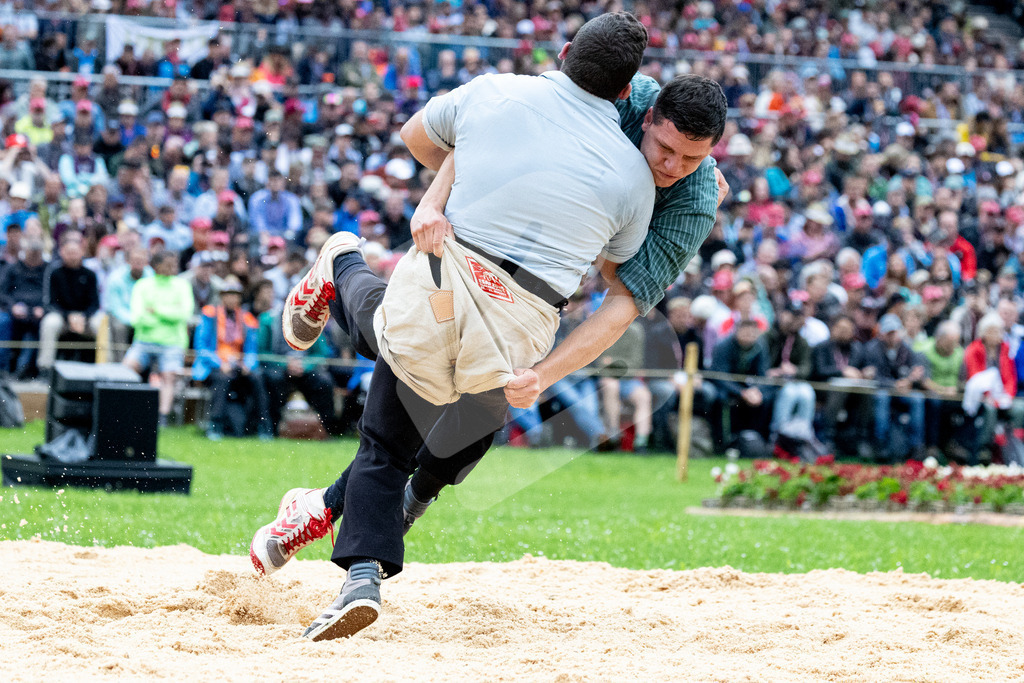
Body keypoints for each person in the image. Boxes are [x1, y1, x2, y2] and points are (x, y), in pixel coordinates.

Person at [251, 13, 706, 642]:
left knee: (446, 410)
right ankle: (360, 571)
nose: (674, 167)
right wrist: (445, 199)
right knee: (395, 422)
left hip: (497, 297)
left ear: (564, 51)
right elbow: (608, 267)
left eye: (691, 160)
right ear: (636, 102)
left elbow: (420, 138)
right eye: (667, 151)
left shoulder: (496, 92)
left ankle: (341, 271)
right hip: (485, 284)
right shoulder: (628, 174)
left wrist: (488, 182)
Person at [191, 278, 272, 440]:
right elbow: (201, 347)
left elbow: (251, 349)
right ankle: (215, 424)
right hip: (213, 365)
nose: (231, 298)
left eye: (235, 295)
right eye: (228, 294)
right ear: (222, 297)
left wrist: (248, 365)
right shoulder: (209, 314)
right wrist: (219, 363)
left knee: (257, 378)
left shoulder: (247, 319)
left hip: (238, 364)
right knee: (222, 379)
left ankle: (263, 425)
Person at [123, 251, 194, 426]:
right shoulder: (143, 285)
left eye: (175, 263)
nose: (173, 267)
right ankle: (128, 411)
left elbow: (184, 314)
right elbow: (137, 318)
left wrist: (156, 310)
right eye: (169, 264)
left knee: (169, 376)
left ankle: (162, 417)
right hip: (144, 341)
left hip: (172, 343)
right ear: (156, 266)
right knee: (127, 369)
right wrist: (169, 314)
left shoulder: (182, 285)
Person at [258, 306, 340, 437]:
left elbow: (322, 353)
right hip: (278, 368)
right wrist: (285, 364)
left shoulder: (313, 321)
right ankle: (271, 428)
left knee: (324, 381)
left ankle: (327, 429)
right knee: (273, 379)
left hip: (305, 368)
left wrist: (305, 365)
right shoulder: (268, 320)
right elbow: (262, 353)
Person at [858, 313, 929, 461]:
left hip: (901, 392)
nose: (892, 336)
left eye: (894, 332)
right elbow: (872, 376)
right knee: (882, 397)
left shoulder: (906, 348)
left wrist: (911, 379)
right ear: (882, 334)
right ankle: (881, 443)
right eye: (889, 333)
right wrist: (894, 384)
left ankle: (916, 445)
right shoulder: (872, 349)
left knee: (917, 398)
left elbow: (915, 370)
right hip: (882, 391)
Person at [38, 234, 104, 371]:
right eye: (68, 252)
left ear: (82, 252)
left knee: (101, 324)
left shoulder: (90, 275)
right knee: (50, 323)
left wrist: (83, 317)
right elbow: (50, 303)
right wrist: (68, 316)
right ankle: (45, 368)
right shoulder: (55, 273)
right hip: (62, 318)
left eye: (75, 252)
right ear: (62, 252)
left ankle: (104, 367)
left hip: (85, 319)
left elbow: (95, 303)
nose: (72, 256)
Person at [709, 319, 771, 449]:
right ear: (737, 331)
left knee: (766, 399)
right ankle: (724, 443)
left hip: (749, 389)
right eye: (745, 332)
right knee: (721, 399)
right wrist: (741, 392)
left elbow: (762, 374)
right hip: (726, 388)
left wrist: (756, 391)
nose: (749, 336)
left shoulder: (760, 346)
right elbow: (720, 376)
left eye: (752, 333)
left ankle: (758, 442)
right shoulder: (723, 346)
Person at [0, 237, 47, 378]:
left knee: (38, 326)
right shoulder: (12, 268)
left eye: (36, 253)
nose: (33, 256)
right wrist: (12, 307)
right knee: (3, 321)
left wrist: (43, 308)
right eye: (31, 252)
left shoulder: (47, 270)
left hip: (38, 312)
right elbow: (3, 293)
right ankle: (2, 369)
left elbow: (53, 294)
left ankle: (25, 369)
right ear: (24, 252)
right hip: (13, 310)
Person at [103, 248, 151, 362]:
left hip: (143, 316)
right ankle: (120, 363)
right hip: (123, 316)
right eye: (135, 260)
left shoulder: (151, 276)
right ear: (128, 261)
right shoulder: (116, 278)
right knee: (119, 326)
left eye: (141, 260)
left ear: (146, 262)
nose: (138, 263)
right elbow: (115, 308)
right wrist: (135, 320)